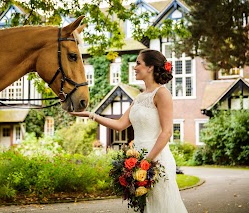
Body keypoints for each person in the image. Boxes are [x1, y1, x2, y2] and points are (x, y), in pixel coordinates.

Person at [70, 49, 188, 213]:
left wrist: (147, 162)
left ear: (150, 68)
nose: (134, 67)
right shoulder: (139, 97)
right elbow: (120, 124)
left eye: (138, 63)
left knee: (161, 207)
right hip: (139, 159)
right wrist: (90, 115)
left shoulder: (162, 94)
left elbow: (166, 132)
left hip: (157, 161)